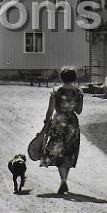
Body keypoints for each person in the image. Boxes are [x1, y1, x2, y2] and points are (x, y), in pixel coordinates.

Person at [40, 66, 83, 194]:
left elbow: (50, 110)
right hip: (72, 123)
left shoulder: (56, 92)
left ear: (62, 77)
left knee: (58, 151)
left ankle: (63, 180)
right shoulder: (78, 93)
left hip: (59, 121)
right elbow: (79, 111)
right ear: (74, 78)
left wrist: (46, 122)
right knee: (69, 151)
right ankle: (64, 180)